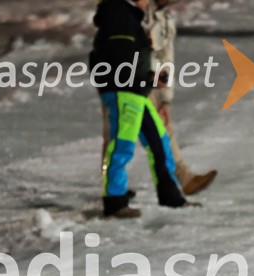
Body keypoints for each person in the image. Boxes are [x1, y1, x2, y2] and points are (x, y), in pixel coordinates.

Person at [90, 0, 189, 218]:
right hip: (125, 92)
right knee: (122, 145)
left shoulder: (129, 16)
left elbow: (126, 58)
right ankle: (114, 201)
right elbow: (117, 60)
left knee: (159, 142)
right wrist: (144, 79)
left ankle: (170, 196)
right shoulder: (119, 14)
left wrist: (149, 78)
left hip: (136, 91)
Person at [146, 0, 217, 195]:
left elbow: (166, 57)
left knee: (162, 130)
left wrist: (164, 98)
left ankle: (183, 178)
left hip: (152, 81)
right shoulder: (136, 12)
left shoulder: (164, 16)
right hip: (130, 80)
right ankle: (112, 193)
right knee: (117, 138)